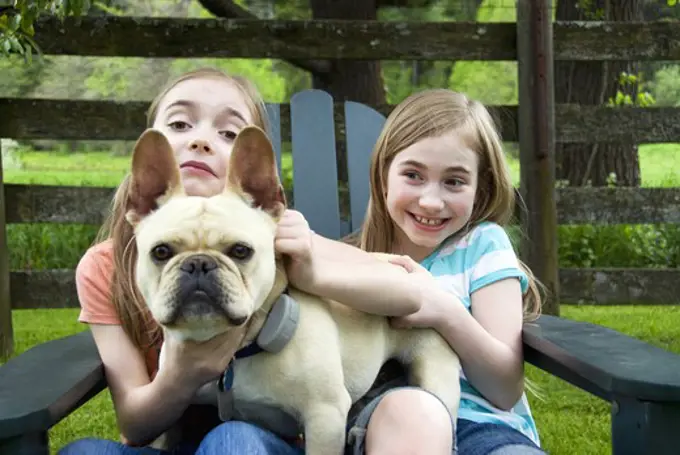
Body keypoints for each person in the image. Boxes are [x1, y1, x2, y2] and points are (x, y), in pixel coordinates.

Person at [57, 68, 434, 455]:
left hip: (256, 443)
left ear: (259, 186)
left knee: (233, 440)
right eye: (181, 123)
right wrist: (182, 374)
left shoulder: (281, 238)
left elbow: (408, 292)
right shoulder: (105, 266)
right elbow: (135, 426)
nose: (201, 141)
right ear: (144, 194)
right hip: (170, 438)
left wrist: (312, 270)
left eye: (227, 133)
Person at [275, 88, 546, 455]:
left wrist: (445, 311)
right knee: (408, 416)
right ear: (383, 175)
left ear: (480, 190)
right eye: (413, 175)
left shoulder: (483, 248)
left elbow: (504, 389)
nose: (431, 201)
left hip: (483, 430)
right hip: (384, 429)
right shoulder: (355, 262)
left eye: (454, 181)